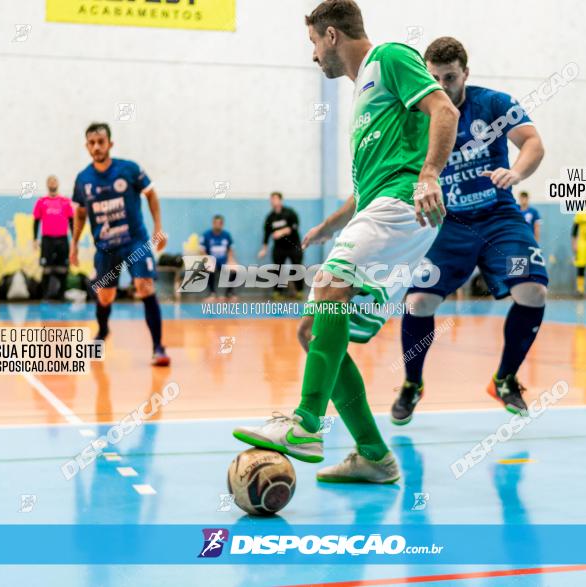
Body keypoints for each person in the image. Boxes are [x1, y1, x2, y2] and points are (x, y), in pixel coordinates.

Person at [233, 0, 458, 484]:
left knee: (330, 286)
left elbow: (444, 107)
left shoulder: (391, 57)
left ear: (332, 35)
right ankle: (374, 455)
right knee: (313, 331)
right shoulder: (362, 98)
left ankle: (306, 422)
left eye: (314, 43)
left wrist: (430, 174)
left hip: (405, 204)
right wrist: (328, 227)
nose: (314, 55)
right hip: (383, 206)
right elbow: (363, 194)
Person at [392, 36, 547, 423]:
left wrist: (517, 171)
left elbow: (532, 142)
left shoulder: (493, 104)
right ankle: (412, 383)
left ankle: (505, 379)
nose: (442, 87)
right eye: (434, 78)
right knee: (418, 302)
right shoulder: (418, 114)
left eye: (450, 77)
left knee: (532, 289)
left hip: (498, 220)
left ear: (466, 73)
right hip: (448, 224)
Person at [70, 122, 170, 367]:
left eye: (100, 142)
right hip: (105, 247)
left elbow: (151, 193)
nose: (96, 147)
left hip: (135, 241)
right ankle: (103, 331)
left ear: (110, 144)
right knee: (105, 297)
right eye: (91, 143)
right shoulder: (83, 179)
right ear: (86, 146)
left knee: (144, 285)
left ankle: (158, 347)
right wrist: (73, 244)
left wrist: (158, 229)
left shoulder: (129, 169)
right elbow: (81, 214)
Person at [32, 175, 73, 300]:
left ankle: (61, 295)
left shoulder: (65, 201)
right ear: (47, 184)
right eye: (50, 181)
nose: (52, 183)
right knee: (46, 268)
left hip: (62, 239)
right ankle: (45, 295)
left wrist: (75, 240)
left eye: (54, 180)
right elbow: (36, 221)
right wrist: (34, 239)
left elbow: (72, 221)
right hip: (47, 240)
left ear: (58, 183)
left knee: (63, 268)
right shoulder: (41, 201)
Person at [258, 192, 304, 298]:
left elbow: (294, 227)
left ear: (280, 200)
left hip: (293, 245)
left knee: (297, 267)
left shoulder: (290, 213)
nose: (273, 201)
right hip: (279, 247)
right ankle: (278, 292)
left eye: (275, 198)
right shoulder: (270, 217)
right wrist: (264, 249)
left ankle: (299, 291)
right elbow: (266, 234)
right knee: (278, 268)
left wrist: (281, 232)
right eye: (271, 199)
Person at [199, 214, 238, 301]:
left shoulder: (226, 235)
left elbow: (231, 249)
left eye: (219, 223)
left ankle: (229, 293)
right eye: (215, 223)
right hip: (212, 260)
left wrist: (231, 260)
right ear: (213, 223)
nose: (217, 225)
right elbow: (202, 250)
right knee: (209, 267)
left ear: (222, 224)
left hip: (223, 261)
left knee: (235, 269)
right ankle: (212, 293)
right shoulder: (206, 235)